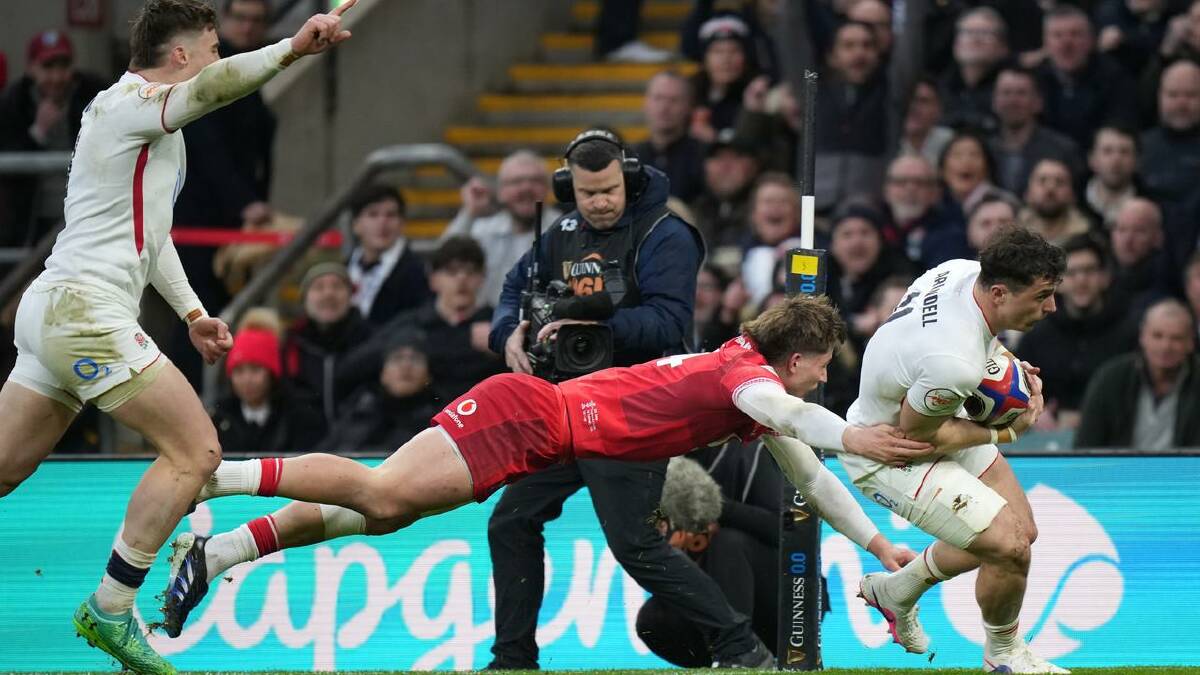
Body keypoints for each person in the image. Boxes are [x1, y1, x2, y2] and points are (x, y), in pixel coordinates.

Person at [159, 295, 929, 649]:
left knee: (382, 508)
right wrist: (862, 435)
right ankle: (220, 476)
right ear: (799, 357)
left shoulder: (753, 383)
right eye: (823, 369)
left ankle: (223, 549)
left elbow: (814, 475)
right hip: (526, 416)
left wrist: (878, 547)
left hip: (539, 429)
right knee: (378, 490)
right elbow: (797, 417)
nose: (821, 382)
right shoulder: (752, 379)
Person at [0, 1, 356, 672]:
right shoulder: (131, 99)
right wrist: (292, 48)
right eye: (213, 47)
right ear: (183, 56)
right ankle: (110, 606)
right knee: (195, 450)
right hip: (83, 310)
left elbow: (151, 237)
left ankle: (109, 604)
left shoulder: (151, 128)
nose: (219, 60)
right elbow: (218, 86)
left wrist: (193, 313)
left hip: (58, 308)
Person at [487, 129, 774, 669]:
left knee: (634, 545)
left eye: (609, 191)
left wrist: (590, 317)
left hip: (638, 408)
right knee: (511, 520)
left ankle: (741, 645)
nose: (598, 203)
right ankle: (513, 659)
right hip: (568, 405)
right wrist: (508, 332)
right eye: (586, 192)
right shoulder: (561, 233)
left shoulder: (667, 235)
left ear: (630, 178)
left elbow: (668, 325)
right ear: (568, 186)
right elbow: (511, 291)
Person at [844, 226, 1071, 673]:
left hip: (931, 411)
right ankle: (1002, 657)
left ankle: (896, 591)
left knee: (1022, 532)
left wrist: (1010, 371)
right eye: (1043, 295)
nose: (1051, 307)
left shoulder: (961, 271)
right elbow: (923, 435)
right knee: (1007, 547)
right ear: (1001, 292)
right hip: (890, 454)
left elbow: (957, 348)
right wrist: (1009, 431)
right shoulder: (954, 363)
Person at [0, 29, 105, 244]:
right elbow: (8, 169)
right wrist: (37, 131)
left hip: (84, 215)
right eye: (47, 67)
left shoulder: (94, 94)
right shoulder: (13, 102)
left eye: (63, 66)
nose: (56, 77)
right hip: (32, 220)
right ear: (31, 68)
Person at [1075, 298, 1200, 449]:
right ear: (1143, 336)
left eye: (1176, 338)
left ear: (1190, 343)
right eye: (1157, 336)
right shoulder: (1111, 379)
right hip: (1119, 471)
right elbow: (1085, 446)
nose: (1166, 346)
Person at [441, 150, 560, 307]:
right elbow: (443, 262)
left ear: (547, 189)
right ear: (500, 192)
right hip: (489, 324)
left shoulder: (564, 229)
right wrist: (469, 212)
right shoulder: (484, 231)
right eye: (516, 181)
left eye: (535, 180)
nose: (526, 188)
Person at [345, 184, 430, 325]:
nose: (382, 223)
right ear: (356, 225)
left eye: (391, 215)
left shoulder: (419, 273)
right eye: (373, 214)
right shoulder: (341, 269)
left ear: (402, 223)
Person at [632, 71, 706, 202]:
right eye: (658, 98)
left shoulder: (704, 156)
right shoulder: (630, 157)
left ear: (689, 107)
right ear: (646, 103)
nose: (664, 107)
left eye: (674, 100)